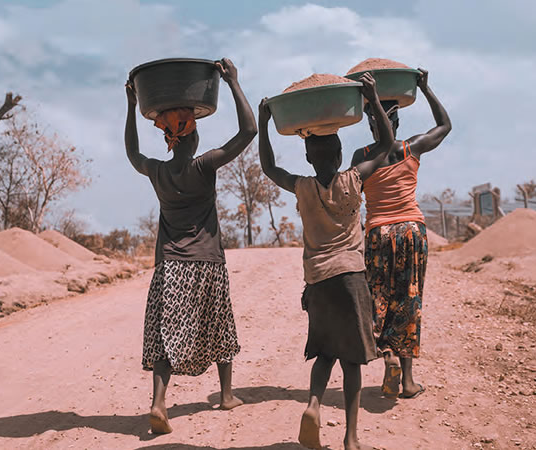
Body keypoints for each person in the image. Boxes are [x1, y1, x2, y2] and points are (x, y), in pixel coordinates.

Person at [258, 73, 393, 450]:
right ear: (338, 154)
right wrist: (372, 97)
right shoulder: (353, 179)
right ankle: (350, 437)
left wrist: (265, 123)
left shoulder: (302, 187)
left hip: (318, 280)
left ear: (307, 156)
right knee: (351, 361)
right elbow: (385, 145)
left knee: (323, 351)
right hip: (351, 276)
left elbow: (269, 169)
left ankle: (314, 405)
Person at [125, 57, 257, 434]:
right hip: (207, 263)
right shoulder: (205, 166)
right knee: (220, 328)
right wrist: (233, 82)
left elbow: (132, 154)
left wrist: (131, 106)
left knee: (168, 334)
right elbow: (248, 132)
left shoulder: (158, 171)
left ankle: (158, 403)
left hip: (171, 265)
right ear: (193, 137)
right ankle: (227, 394)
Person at [350, 68, 452, 399]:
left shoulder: (361, 157)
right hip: (412, 230)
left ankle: (388, 355)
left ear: (370, 122)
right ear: (397, 123)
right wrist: (425, 86)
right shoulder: (412, 148)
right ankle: (407, 382)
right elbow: (445, 126)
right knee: (409, 300)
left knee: (378, 300)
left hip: (379, 232)